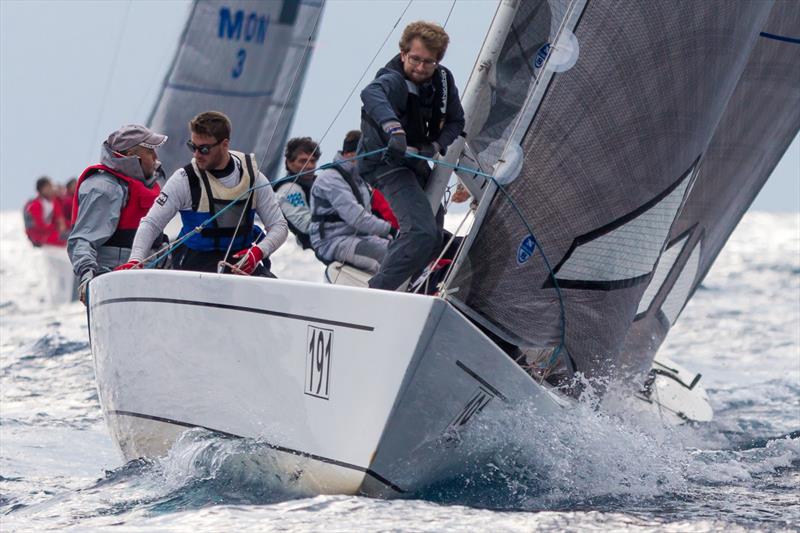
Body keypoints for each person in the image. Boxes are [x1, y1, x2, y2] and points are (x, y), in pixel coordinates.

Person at [358, 20, 465, 291]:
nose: (420, 67)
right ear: (403, 53)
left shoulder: (442, 80)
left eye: (428, 62)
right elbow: (371, 93)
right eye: (415, 59)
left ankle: (415, 288)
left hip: (416, 162)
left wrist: (436, 145)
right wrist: (394, 129)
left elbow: (456, 121)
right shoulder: (393, 79)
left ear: (437, 62)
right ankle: (376, 294)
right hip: (384, 165)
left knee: (435, 230)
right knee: (420, 232)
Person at [121, 111, 288, 275]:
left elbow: (279, 226)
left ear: (224, 144)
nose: (197, 155)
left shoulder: (253, 178)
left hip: (239, 260)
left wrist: (258, 252)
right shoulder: (184, 179)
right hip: (195, 262)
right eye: (193, 147)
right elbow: (151, 223)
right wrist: (135, 260)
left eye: (204, 149)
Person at [68, 125, 167, 303]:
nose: (156, 158)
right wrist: (87, 275)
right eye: (150, 152)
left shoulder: (151, 184)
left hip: (150, 283)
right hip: (115, 290)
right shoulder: (104, 188)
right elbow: (83, 239)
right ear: (131, 156)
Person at [310, 130, 397, 273]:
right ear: (351, 154)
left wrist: (393, 236)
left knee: (401, 251)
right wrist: (391, 229)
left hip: (359, 237)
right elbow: (357, 217)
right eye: (368, 153)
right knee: (389, 256)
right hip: (333, 242)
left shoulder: (360, 180)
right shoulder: (330, 179)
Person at [273, 137, 321, 250]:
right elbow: (306, 225)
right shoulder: (289, 189)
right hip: (303, 254)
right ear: (289, 163)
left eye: (313, 161)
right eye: (303, 161)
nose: (309, 166)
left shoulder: (320, 183)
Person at [23, 176, 66, 247]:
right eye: (49, 186)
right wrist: (56, 229)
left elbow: (58, 217)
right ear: (42, 189)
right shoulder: (35, 204)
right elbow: (38, 225)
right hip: (39, 237)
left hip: (50, 233)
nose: (52, 189)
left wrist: (61, 224)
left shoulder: (53, 202)